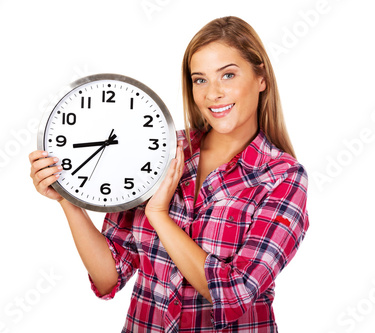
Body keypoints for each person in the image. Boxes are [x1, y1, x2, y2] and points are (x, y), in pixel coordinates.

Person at [29, 16, 309, 333]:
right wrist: (68, 197)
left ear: (262, 78)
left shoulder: (282, 177)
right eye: (199, 79)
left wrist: (159, 214)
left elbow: (234, 293)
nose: (213, 93)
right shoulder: (162, 150)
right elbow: (109, 275)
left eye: (227, 75)